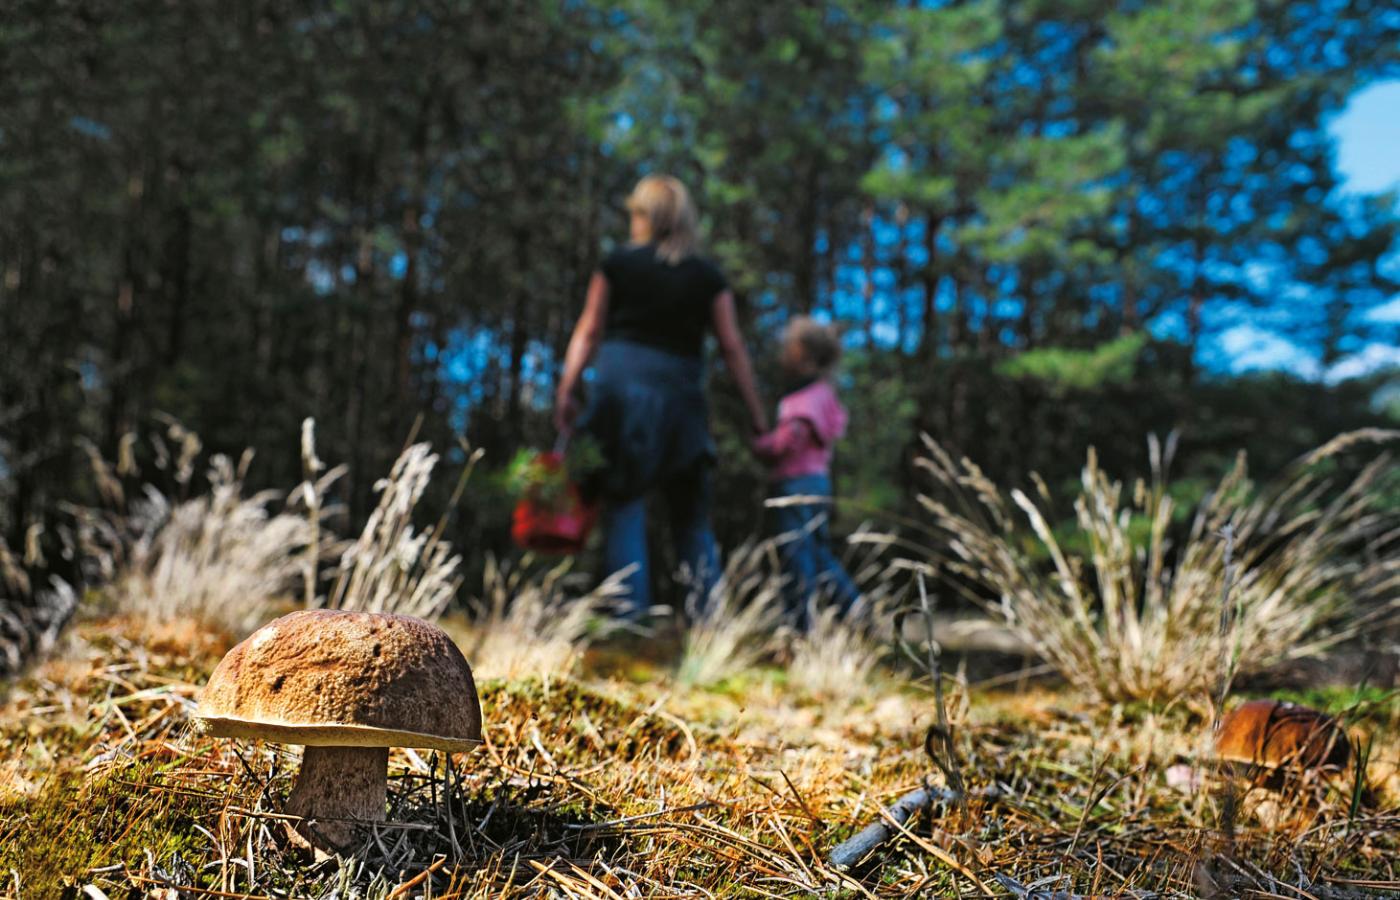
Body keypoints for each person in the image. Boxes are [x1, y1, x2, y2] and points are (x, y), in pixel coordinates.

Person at [554, 174, 768, 616]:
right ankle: (710, 624)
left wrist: (567, 388)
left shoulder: (618, 264)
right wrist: (757, 414)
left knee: (624, 504)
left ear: (642, 215)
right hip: (680, 399)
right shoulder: (706, 276)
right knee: (691, 516)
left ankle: (628, 621)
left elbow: (589, 329)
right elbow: (732, 346)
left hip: (620, 392)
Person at [751, 316, 860, 621]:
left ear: (804, 356)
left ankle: (799, 624)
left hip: (794, 484)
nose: (783, 355)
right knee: (817, 552)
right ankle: (853, 608)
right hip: (819, 482)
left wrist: (761, 445)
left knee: (794, 552)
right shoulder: (826, 395)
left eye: (788, 348)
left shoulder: (802, 401)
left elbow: (787, 442)